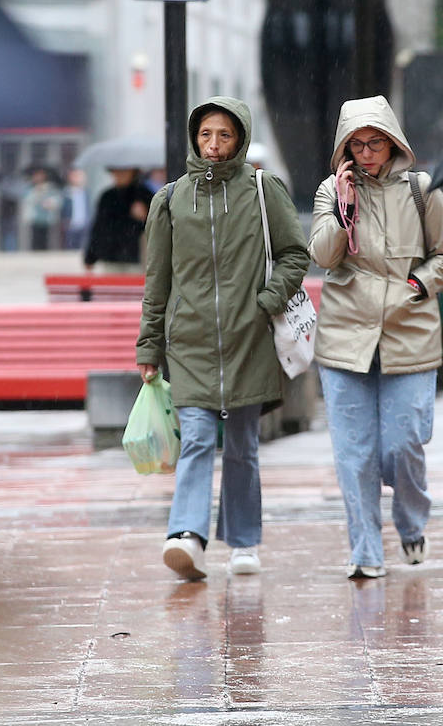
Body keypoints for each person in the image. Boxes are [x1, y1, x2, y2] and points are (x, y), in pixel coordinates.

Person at [136, 96, 309, 581]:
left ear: (241, 139)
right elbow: (158, 281)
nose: (214, 145)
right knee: (194, 438)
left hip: (249, 338)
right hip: (188, 343)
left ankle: (244, 542)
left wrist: (266, 303)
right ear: (195, 137)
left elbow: (296, 254)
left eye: (225, 136)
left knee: (241, 446)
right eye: (206, 134)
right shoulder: (170, 200)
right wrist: (149, 346)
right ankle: (186, 535)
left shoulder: (262, 189)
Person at [308, 95, 443, 580]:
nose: (368, 152)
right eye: (357, 144)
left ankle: (411, 522)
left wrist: (416, 285)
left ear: (393, 142)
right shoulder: (331, 191)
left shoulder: (423, 191)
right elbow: (325, 256)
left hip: (409, 331)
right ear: (345, 148)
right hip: (344, 336)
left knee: (403, 445)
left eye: (376, 143)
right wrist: (345, 210)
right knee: (354, 455)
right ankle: (366, 550)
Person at [83, 167, 153, 273]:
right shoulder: (107, 197)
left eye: (124, 171)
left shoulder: (144, 195)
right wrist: (90, 257)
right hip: (111, 256)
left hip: (137, 257)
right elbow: (99, 227)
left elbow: (157, 226)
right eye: (117, 171)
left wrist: (145, 216)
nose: (120, 174)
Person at [21, 167, 63, 251]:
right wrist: (36, 193)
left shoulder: (51, 188)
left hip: (47, 218)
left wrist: (50, 203)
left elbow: (58, 200)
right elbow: (27, 200)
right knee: (35, 240)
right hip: (35, 218)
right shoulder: (30, 189)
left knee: (47, 240)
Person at [61, 168, 90, 250]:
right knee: (70, 248)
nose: (78, 179)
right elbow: (63, 208)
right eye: (75, 176)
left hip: (84, 225)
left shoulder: (86, 192)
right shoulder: (66, 192)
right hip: (70, 224)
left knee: (83, 248)